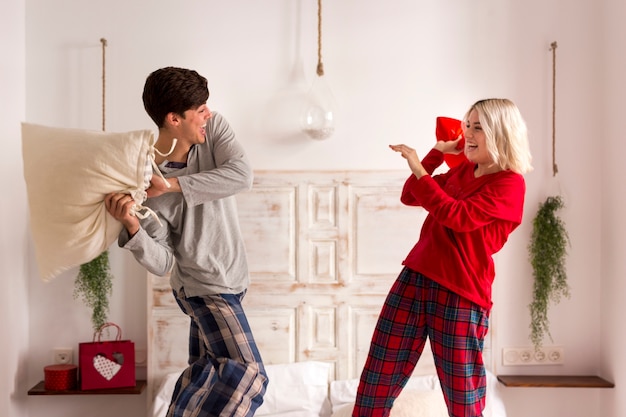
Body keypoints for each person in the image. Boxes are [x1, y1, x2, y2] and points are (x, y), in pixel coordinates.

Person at [352, 98, 533, 417]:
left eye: (479, 127)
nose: (469, 133)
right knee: (377, 379)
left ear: (501, 132)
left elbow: (456, 216)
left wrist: (418, 167)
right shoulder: (463, 171)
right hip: (416, 276)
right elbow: (410, 195)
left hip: (460, 290)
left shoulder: (510, 183)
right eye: (467, 126)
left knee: (462, 394)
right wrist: (435, 154)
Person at [104, 66, 267, 417]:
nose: (208, 113)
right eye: (200, 110)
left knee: (205, 375)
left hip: (234, 280)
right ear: (174, 119)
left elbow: (242, 176)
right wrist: (133, 225)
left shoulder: (214, 130)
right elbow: (163, 261)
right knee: (251, 374)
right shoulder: (145, 181)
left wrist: (174, 187)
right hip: (202, 286)